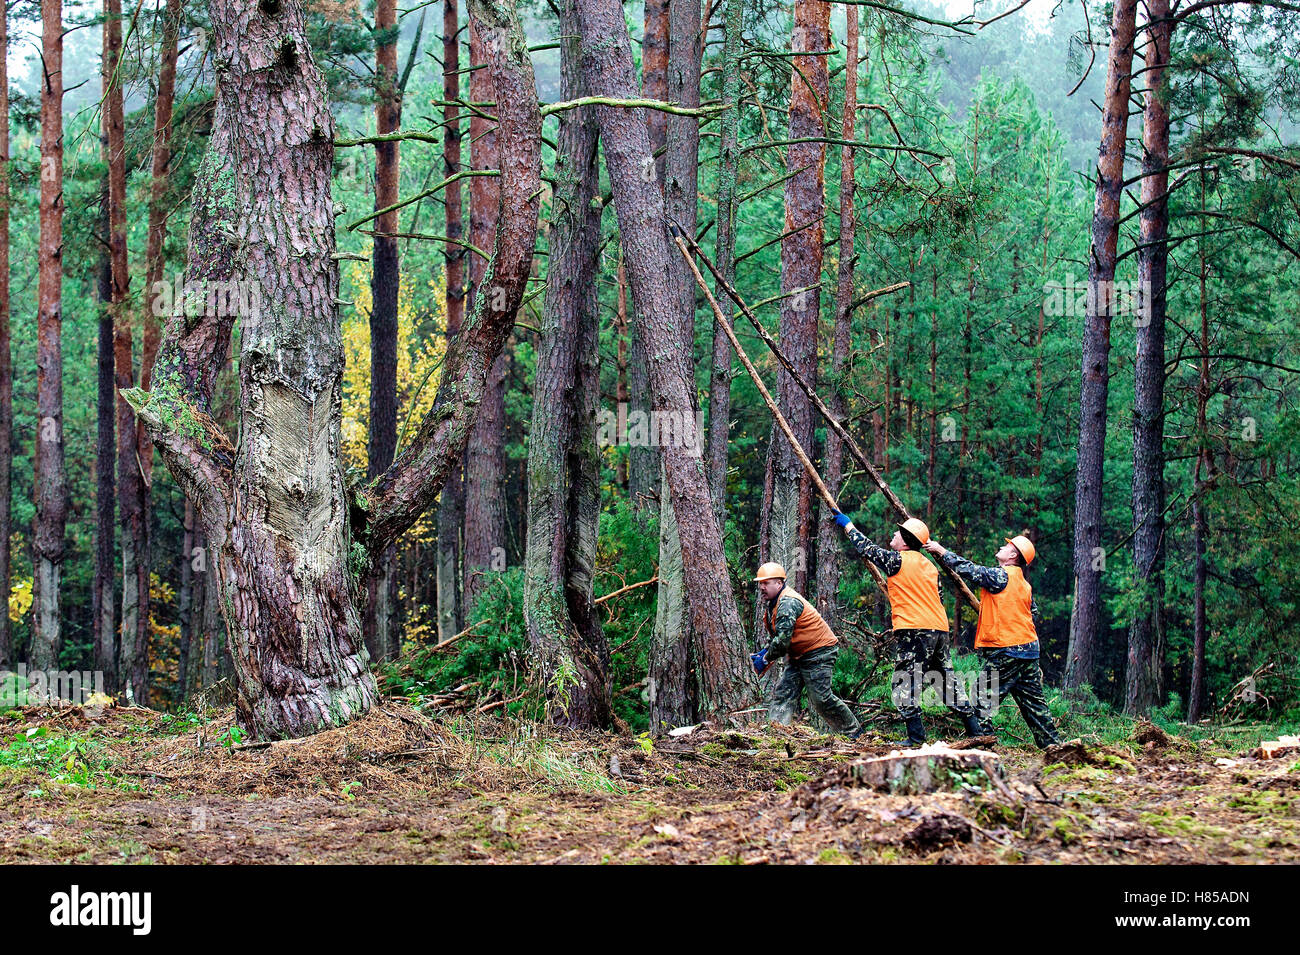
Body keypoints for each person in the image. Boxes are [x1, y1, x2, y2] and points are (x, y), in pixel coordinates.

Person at [833, 511, 983, 746]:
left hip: (915, 630)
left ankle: (915, 738)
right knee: (946, 681)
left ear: (905, 540)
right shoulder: (930, 567)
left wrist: (848, 526)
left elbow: (867, 549)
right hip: (939, 629)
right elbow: (939, 598)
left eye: (898, 532)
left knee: (904, 684)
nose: (893, 533)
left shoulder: (897, 560)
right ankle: (976, 732)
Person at [921, 534, 1063, 748]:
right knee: (1035, 705)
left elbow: (969, 569)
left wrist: (941, 551)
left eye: (1006, 546)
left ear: (1013, 555)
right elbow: (1032, 613)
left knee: (982, 700)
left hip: (1006, 650)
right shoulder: (1023, 584)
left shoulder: (1001, 576)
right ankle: (1055, 747)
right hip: (1029, 650)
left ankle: (983, 749)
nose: (1001, 547)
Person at [751, 562, 862, 739]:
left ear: (779, 583)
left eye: (766, 583)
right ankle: (776, 735)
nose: (761, 587)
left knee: (821, 698)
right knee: (784, 693)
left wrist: (764, 659)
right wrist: (765, 653)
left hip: (819, 652)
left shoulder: (787, 603)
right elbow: (780, 637)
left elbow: (782, 641)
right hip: (799, 653)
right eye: (760, 583)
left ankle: (854, 734)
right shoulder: (774, 603)